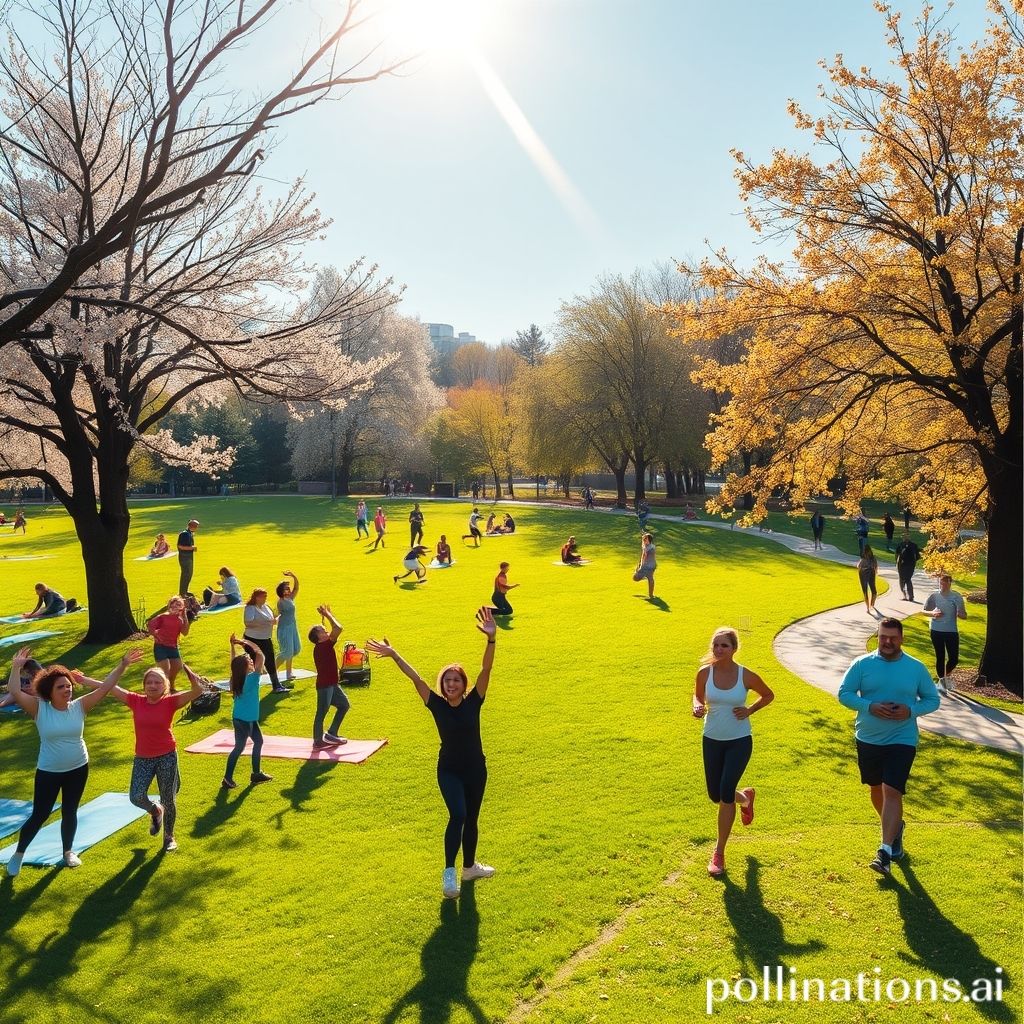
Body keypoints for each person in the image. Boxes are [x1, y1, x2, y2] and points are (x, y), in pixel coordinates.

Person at [367, 607, 498, 899]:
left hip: (476, 769)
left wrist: (491, 640)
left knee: (472, 818)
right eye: (447, 680)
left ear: (464, 686)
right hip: (449, 770)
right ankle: (450, 872)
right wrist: (395, 654)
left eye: (456, 681)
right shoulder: (435, 703)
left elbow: (486, 669)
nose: (451, 684)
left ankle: (470, 868)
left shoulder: (474, 701)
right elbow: (416, 679)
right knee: (459, 815)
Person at [4, 646, 143, 876]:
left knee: (70, 810)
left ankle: (68, 852)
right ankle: (19, 853)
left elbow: (106, 688)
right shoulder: (39, 708)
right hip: (48, 770)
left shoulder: (79, 706)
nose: (67, 690)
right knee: (40, 813)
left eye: (69, 686)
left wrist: (122, 665)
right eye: (62, 687)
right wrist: (16, 667)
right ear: (50, 690)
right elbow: (15, 691)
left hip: (78, 767)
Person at [837, 618, 940, 876]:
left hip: (903, 739)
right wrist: (869, 706)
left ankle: (884, 852)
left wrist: (911, 711)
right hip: (868, 738)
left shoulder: (915, 668)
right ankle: (895, 830)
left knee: (891, 790)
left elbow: (932, 699)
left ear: (902, 638)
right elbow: (844, 694)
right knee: (876, 789)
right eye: (883, 637)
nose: (887, 642)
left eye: (892, 637)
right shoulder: (862, 665)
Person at [692, 628, 774, 878]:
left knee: (726, 792)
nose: (718, 650)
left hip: (739, 741)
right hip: (712, 740)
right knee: (715, 795)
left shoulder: (745, 675)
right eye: (716, 645)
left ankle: (719, 853)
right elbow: (697, 696)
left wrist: (749, 710)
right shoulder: (704, 673)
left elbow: (768, 695)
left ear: (734, 649)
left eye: (724, 646)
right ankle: (747, 798)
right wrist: (696, 705)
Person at [105, 660, 204, 852]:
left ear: (165, 685)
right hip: (142, 758)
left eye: (157, 682)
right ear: (144, 686)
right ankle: (155, 811)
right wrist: (83, 679)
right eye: (149, 682)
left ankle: (169, 837)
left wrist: (190, 674)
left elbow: (197, 690)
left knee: (168, 798)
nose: (152, 686)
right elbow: (109, 686)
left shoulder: (170, 702)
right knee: (136, 796)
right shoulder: (136, 700)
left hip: (167, 755)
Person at [223, 634, 273, 788]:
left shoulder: (236, 679)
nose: (252, 661)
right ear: (245, 668)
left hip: (246, 718)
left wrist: (233, 646)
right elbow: (260, 654)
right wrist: (243, 642)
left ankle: (256, 774)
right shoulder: (251, 679)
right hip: (244, 720)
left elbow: (234, 663)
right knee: (239, 747)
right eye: (249, 662)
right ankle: (227, 779)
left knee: (258, 741)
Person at [309, 605, 350, 749]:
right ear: (318, 637)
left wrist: (328, 615)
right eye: (322, 630)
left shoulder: (323, 645)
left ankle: (332, 733)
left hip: (332, 684)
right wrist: (327, 614)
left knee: (344, 705)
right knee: (322, 712)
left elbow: (335, 629)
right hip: (325, 686)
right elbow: (338, 628)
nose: (325, 630)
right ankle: (318, 741)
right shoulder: (324, 646)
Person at [922, 574, 968, 696]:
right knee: (940, 656)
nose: (942, 585)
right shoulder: (934, 596)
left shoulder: (956, 596)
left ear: (950, 583)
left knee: (954, 659)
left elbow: (964, 615)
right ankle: (942, 683)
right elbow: (925, 611)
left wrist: (960, 614)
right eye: (941, 582)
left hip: (951, 630)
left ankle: (945, 678)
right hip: (936, 630)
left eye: (945, 582)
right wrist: (933, 614)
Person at [243, 589, 289, 693]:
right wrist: (265, 623)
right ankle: (250, 687)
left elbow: (272, 620)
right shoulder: (250, 608)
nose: (265, 599)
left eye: (266, 596)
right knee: (255, 664)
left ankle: (276, 685)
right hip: (253, 639)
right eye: (263, 596)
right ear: (257, 597)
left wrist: (275, 620)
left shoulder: (266, 607)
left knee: (270, 662)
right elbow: (248, 623)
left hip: (265, 638)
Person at [147, 596, 191, 692]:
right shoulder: (163, 617)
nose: (176, 607)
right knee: (165, 670)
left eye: (179, 605)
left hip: (173, 647)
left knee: (178, 665)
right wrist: (156, 636)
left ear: (182, 608)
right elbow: (150, 625)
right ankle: (164, 691)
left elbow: (185, 632)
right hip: (160, 647)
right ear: (169, 606)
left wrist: (184, 616)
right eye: (174, 605)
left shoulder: (180, 620)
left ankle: (170, 686)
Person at [275, 571, 301, 683]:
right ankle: (273, 670)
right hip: (284, 628)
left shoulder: (290, 598)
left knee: (295, 649)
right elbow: (276, 614)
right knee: (287, 652)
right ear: (281, 591)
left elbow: (296, 588)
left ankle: (288, 671)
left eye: (288, 588)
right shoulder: (280, 602)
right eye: (286, 588)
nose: (289, 589)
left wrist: (294, 576)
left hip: (292, 627)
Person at [894, 530, 922, 602]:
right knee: (907, 579)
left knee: (903, 579)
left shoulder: (901, 545)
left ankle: (906, 595)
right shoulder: (913, 545)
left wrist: (897, 562)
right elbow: (918, 556)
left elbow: (897, 555)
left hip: (903, 565)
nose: (905, 538)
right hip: (909, 565)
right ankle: (909, 596)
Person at [177, 519, 199, 596]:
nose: (197, 528)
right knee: (186, 574)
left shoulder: (189, 533)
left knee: (189, 574)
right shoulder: (185, 534)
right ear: (192, 526)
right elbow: (180, 546)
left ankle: (185, 591)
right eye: (196, 526)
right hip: (185, 557)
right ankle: (182, 593)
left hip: (188, 556)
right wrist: (192, 548)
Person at [633, 533, 657, 599]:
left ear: (648, 540)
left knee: (635, 578)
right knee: (650, 579)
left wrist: (640, 566)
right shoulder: (652, 546)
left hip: (647, 566)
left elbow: (644, 557)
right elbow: (653, 556)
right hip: (651, 565)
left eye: (645, 539)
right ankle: (651, 595)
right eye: (643, 539)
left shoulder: (647, 548)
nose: (644, 540)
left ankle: (651, 595)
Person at [857, 545, 879, 615]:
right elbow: (859, 566)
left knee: (873, 591)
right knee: (866, 591)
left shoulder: (872, 558)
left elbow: (859, 566)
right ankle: (868, 607)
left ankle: (872, 605)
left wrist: (874, 570)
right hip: (864, 574)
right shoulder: (863, 559)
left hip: (869, 573)